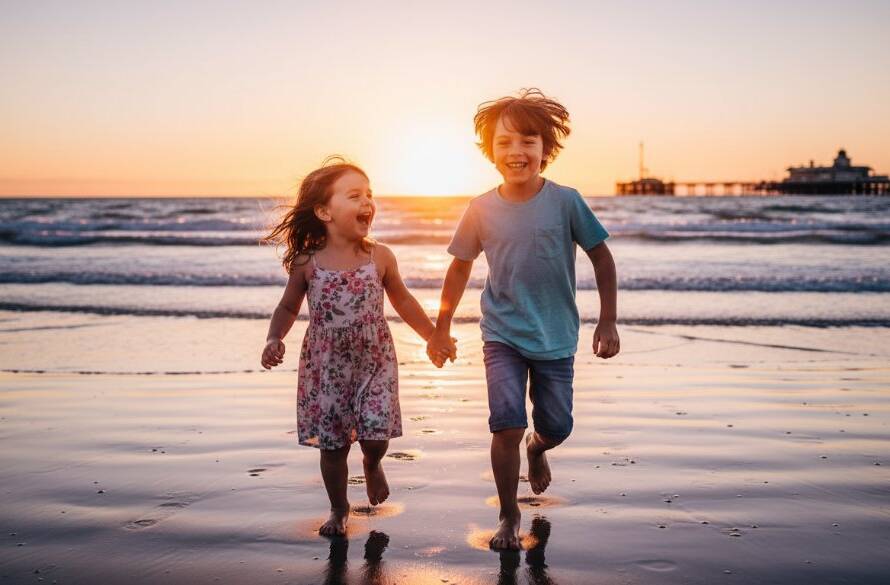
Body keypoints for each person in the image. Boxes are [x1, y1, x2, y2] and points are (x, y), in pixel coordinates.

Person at [426, 89, 620, 550]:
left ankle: (539, 447)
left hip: (555, 335)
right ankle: (508, 516)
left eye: (528, 141)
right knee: (506, 424)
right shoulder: (480, 208)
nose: (516, 152)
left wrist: (607, 321)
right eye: (504, 142)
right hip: (502, 334)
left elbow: (602, 257)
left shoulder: (566, 201)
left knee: (556, 426)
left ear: (545, 150)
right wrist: (441, 326)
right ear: (490, 151)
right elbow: (459, 267)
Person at [261, 157, 453, 536]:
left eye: (370, 195)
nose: (367, 202)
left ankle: (372, 462)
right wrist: (274, 337)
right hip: (327, 365)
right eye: (354, 196)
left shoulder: (379, 256)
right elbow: (288, 306)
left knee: (376, 433)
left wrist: (433, 335)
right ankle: (338, 508)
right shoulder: (307, 262)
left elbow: (404, 301)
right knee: (331, 447)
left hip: (375, 359)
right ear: (323, 211)